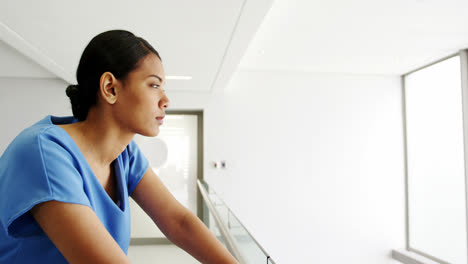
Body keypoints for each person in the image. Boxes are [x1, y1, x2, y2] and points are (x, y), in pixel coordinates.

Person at [0, 30, 238, 264]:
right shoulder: (43, 154)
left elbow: (179, 222)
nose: (166, 100)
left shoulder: (125, 155)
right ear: (110, 88)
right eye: (154, 85)